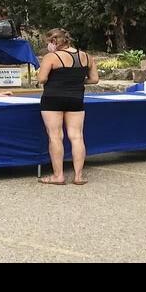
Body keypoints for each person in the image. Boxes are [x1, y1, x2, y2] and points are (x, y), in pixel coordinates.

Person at [37, 29, 100, 187]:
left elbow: (42, 79)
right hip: (76, 99)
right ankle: (78, 175)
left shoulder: (51, 57)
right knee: (77, 136)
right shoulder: (86, 56)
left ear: (53, 42)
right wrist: (76, 82)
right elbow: (94, 79)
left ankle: (58, 176)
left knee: (55, 136)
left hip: (53, 99)